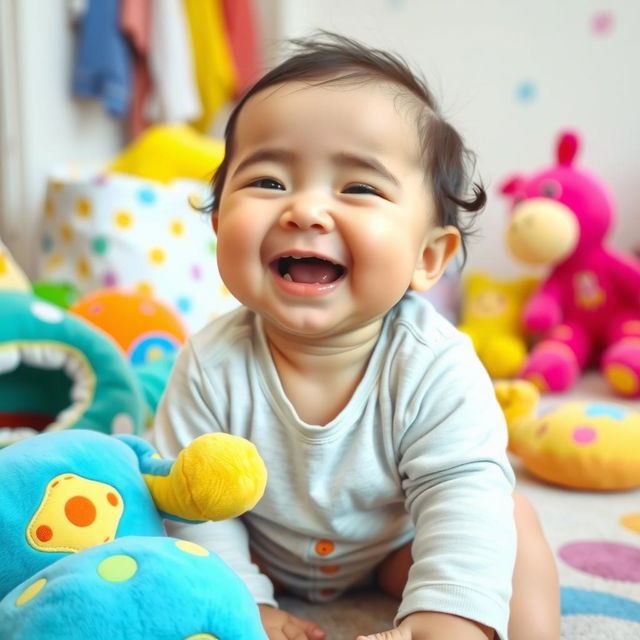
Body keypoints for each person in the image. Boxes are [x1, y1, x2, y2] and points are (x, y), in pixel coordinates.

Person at [153, 32, 560, 640]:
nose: (306, 211)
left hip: (394, 552)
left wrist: (445, 612)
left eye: (359, 188)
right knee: (161, 542)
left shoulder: (435, 366)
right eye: (268, 182)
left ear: (428, 257)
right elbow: (193, 501)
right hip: (260, 549)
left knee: (505, 520)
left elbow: (459, 496)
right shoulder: (211, 363)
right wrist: (247, 600)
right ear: (218, 225)